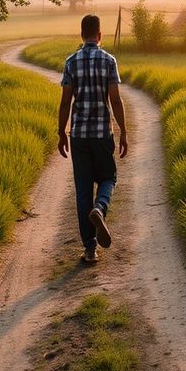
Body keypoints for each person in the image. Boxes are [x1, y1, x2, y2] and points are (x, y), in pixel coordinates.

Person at [57, 14, 129, 263]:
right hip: (101, 134)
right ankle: (100, 209)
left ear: (81, 35)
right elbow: (116, 100)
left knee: (82, 189)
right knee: (109, 177)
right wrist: (124, 132)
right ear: (100, 35)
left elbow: (66, 101)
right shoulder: (109, 61)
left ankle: (90, 249)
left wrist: (60, 133)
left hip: (78, 136)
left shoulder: (70, 62)